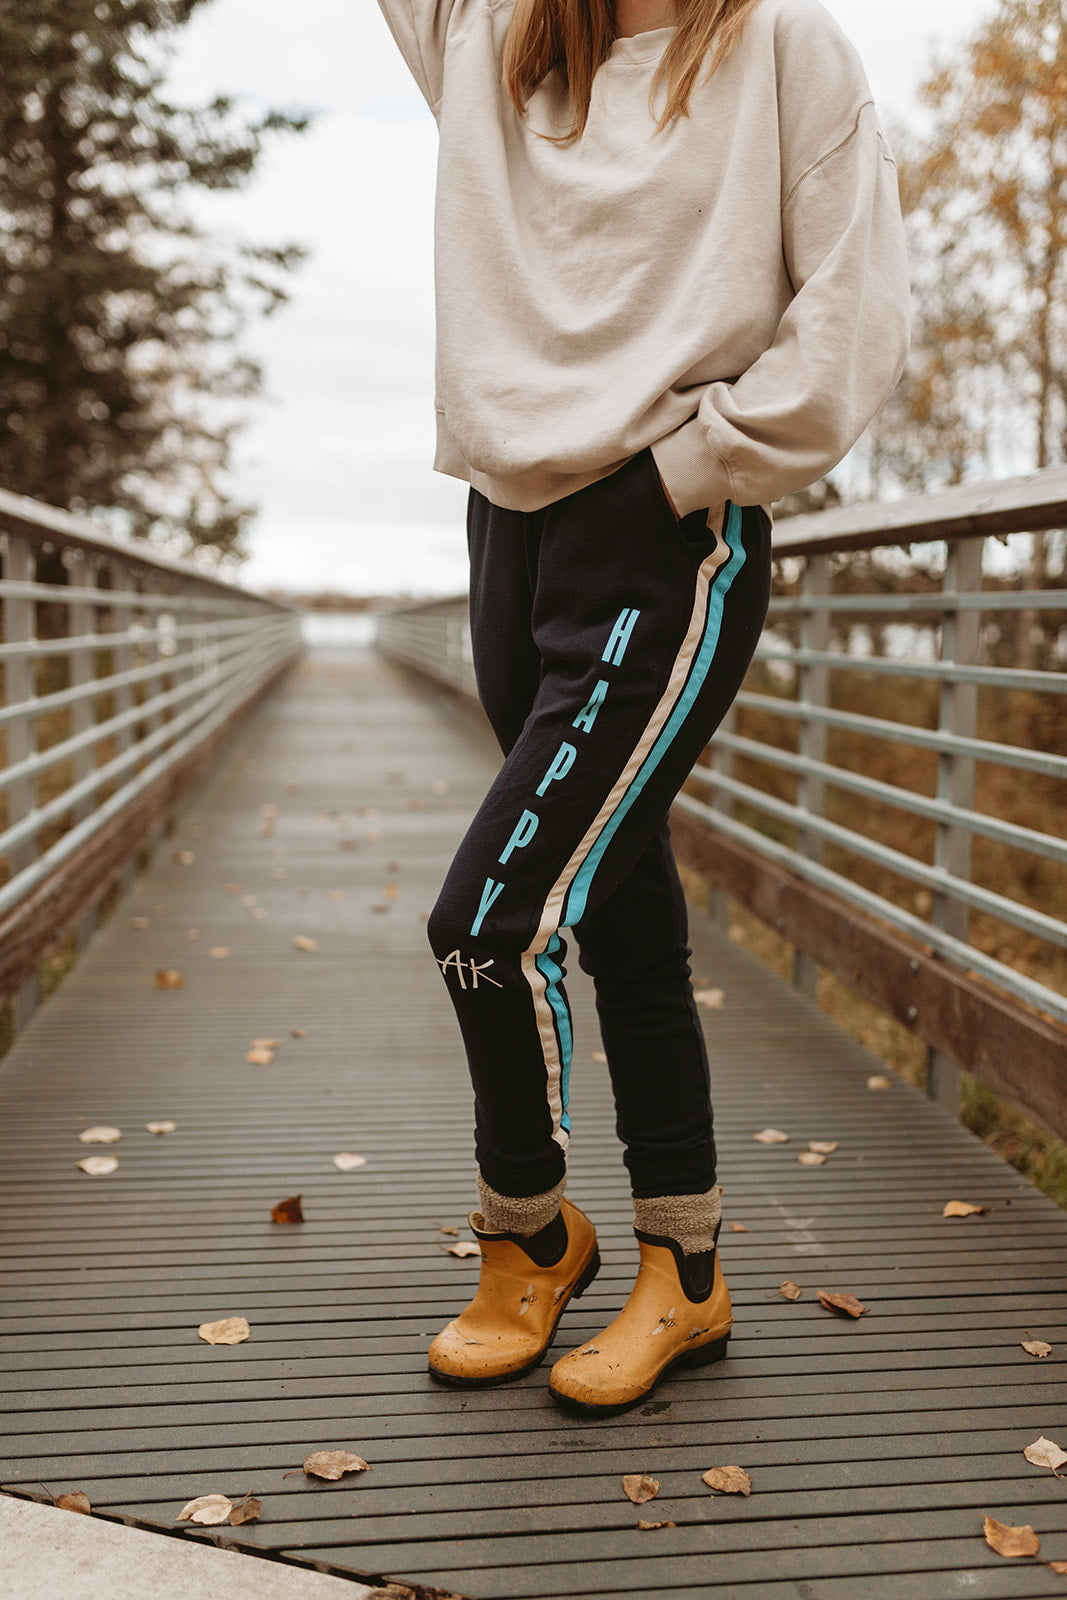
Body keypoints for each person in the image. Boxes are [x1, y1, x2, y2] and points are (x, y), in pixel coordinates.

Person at [375, 0, 910, 1414]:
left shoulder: (787, 54)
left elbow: (854, 317)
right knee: (616, 899)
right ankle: (688, 1264)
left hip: (666, 531)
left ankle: (528, 1234)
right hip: (505, 532)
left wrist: (691, 469)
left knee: (492, 919)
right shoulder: (494, 40)